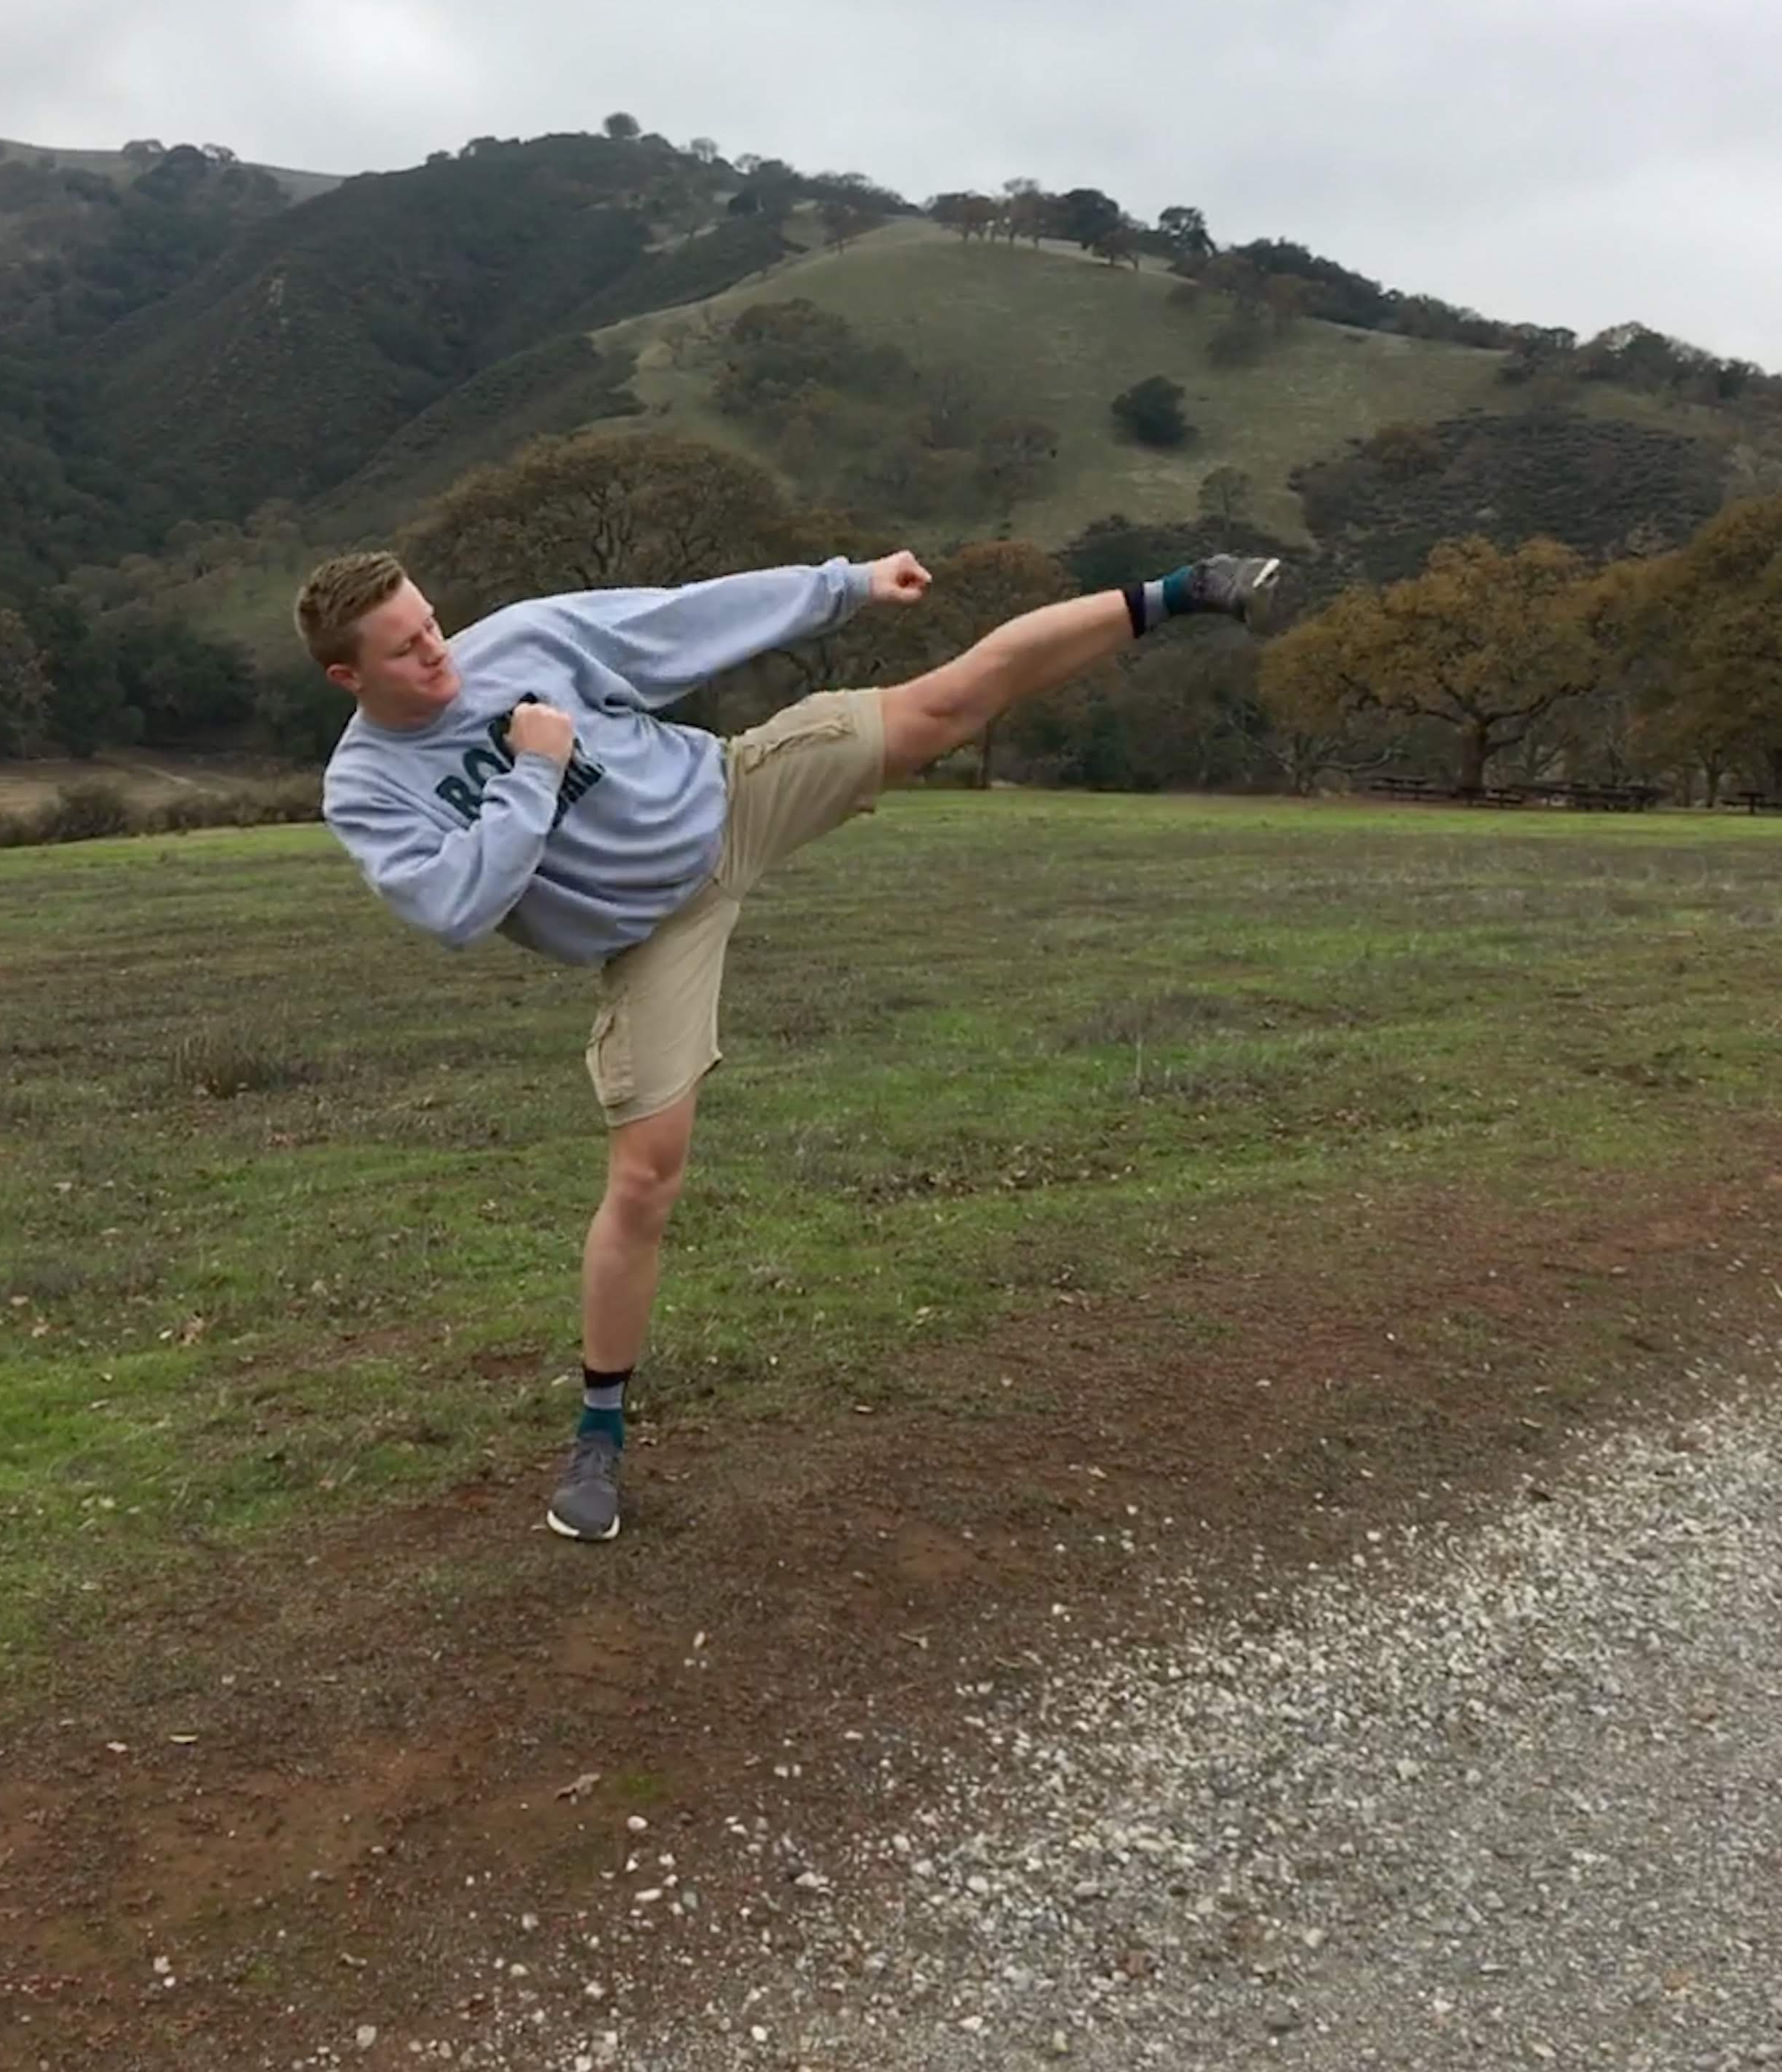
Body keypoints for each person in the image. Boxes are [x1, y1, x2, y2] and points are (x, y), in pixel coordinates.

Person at [295, 542, 1281, 1543]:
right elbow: (459, 904)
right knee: (645, 1178)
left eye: (431, 622)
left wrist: (846, 585)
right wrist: (536, 767)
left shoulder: (522, 640)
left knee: (950, 702)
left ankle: (1184, 589)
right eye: (405, 648)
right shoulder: (368, 789)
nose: (438, 649)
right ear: (347, 676)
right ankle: (599, 1434)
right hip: (649, 936)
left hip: (732, 796)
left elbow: (685, 619)